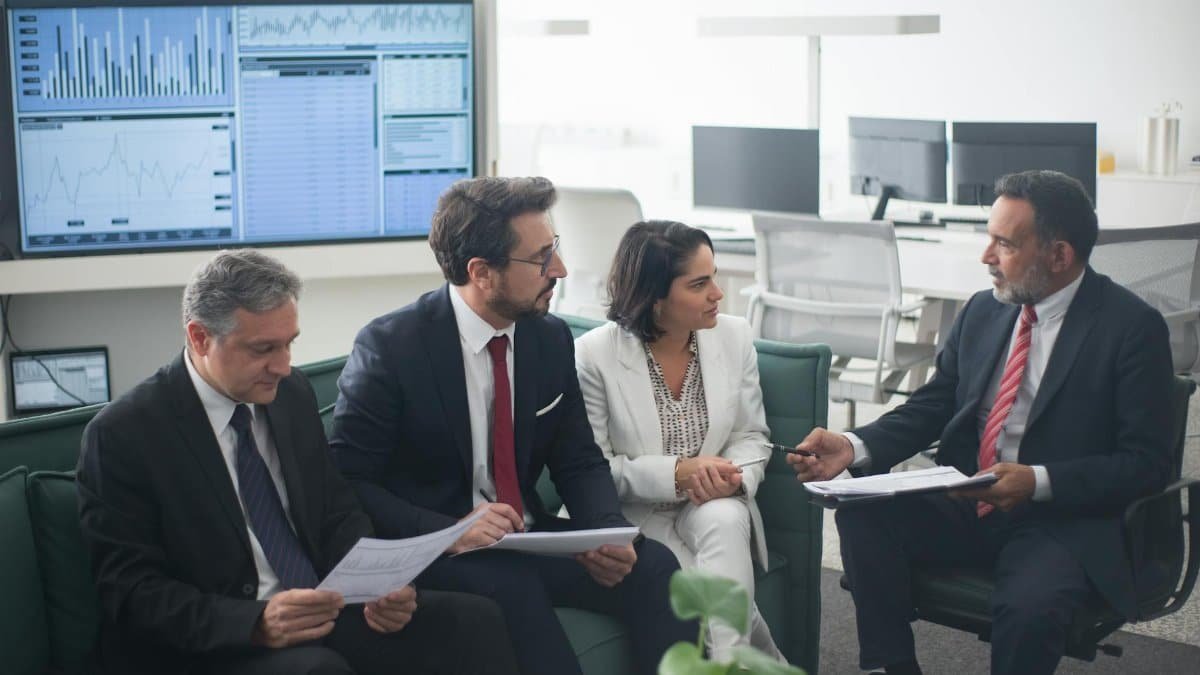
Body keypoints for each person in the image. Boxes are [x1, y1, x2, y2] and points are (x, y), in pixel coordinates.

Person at [789, 170, 1175, 675]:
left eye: (1004, 243)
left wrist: (1036, 482)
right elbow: (935, 404)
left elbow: (1145, 464)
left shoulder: (1131, 329)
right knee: (863, 516)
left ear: (1059, 255)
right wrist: (852, 444)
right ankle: (895, 668)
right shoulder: (984, 310)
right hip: (965, 495)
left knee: (1030, 605)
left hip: (1060, 519)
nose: (986, 256)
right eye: (988, 238)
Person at [76, 250, 518, 675]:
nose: (283, 366)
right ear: (199, 337)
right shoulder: (124, 435)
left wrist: (380, 585)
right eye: (263, 349)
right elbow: (130, 591)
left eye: (289, 344)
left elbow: (335, 511)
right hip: (217, 641)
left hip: (318, 609)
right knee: (318, 670)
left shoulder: (290, 395)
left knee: (473, 623)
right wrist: (255, 623)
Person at [329, 176, 696, 675]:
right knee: (510, 590)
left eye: (555, 249)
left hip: (530, 537)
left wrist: (603, 530)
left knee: (656, 569)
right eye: (541, 258)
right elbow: (348, 480)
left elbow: (578, 458)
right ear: (481, 272)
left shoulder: (548, 337)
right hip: (440, 549)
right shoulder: (391, 348)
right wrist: (450, 532)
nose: (560, 269)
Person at [574, 220, 783, 661]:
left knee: (726, 517)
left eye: (715, 277)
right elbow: (591, 469)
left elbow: (751, 435)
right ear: (654, 299)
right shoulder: (594, 355)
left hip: (710, 503)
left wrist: (734, 478)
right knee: (712, 602)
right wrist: (675, 474)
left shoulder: (734, 336)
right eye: (700, 283)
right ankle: (747, 664)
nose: (718, 294)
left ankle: (727, 667)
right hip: (637, 511)